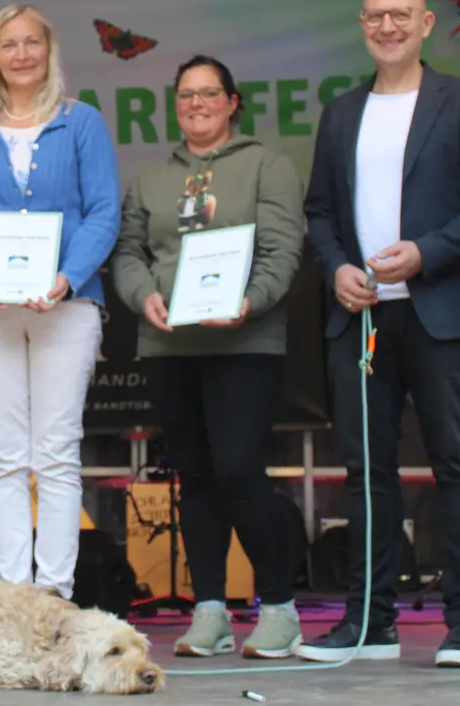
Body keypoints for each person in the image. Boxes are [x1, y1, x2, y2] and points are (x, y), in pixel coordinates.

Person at [299, 0, 460, 667]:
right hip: (359, 318)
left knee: (457, 465)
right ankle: (369, 623)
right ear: (363, 24)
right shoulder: (340, 112)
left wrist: (425, 253)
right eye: (375, 16)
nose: (387, 26)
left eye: (401, 16)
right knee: (365, 474)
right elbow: (320, 213)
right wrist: (336, 269)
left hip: (440, 311)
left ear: (425, 25)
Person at [111, 55, 306, 659]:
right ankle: (211, 611)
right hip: (170, 344)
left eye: (209, 94)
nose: (196, 104)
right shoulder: (150, 178)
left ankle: (278, 608)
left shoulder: (266, 164)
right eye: (185, 95)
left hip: (244, 341)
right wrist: (143, 298)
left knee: (239, 472)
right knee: (193, 479)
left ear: (232, 102)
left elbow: (282, 249)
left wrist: (249, 302)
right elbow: (128, 253)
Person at [0, 4, 120, 600]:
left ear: (49, 51)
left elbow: (103, 213)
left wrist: (66, 277)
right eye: (9, 44)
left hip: (68, 306)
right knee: (6, 454)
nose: (21, 54)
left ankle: (55, 594)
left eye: (31, 42)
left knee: (57, 451)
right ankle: (14, 593)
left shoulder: (81, 122)